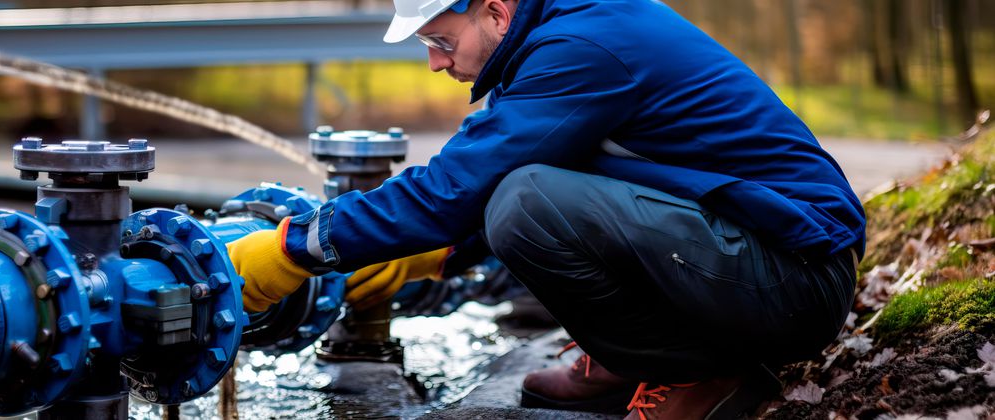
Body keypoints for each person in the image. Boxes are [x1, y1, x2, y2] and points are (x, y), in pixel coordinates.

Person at [227, 0, 865, 417]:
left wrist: (293, 249)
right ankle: (632, 359)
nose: (433, 62)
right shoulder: (570, 29)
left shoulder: (583, 47)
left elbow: (461, 186)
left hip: (795, 279)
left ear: (497, 11)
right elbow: (533, 170)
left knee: (525, 204)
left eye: (440, 39)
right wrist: (438, 255)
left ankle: (700, 375)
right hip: (759, 259)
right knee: (522, 192)